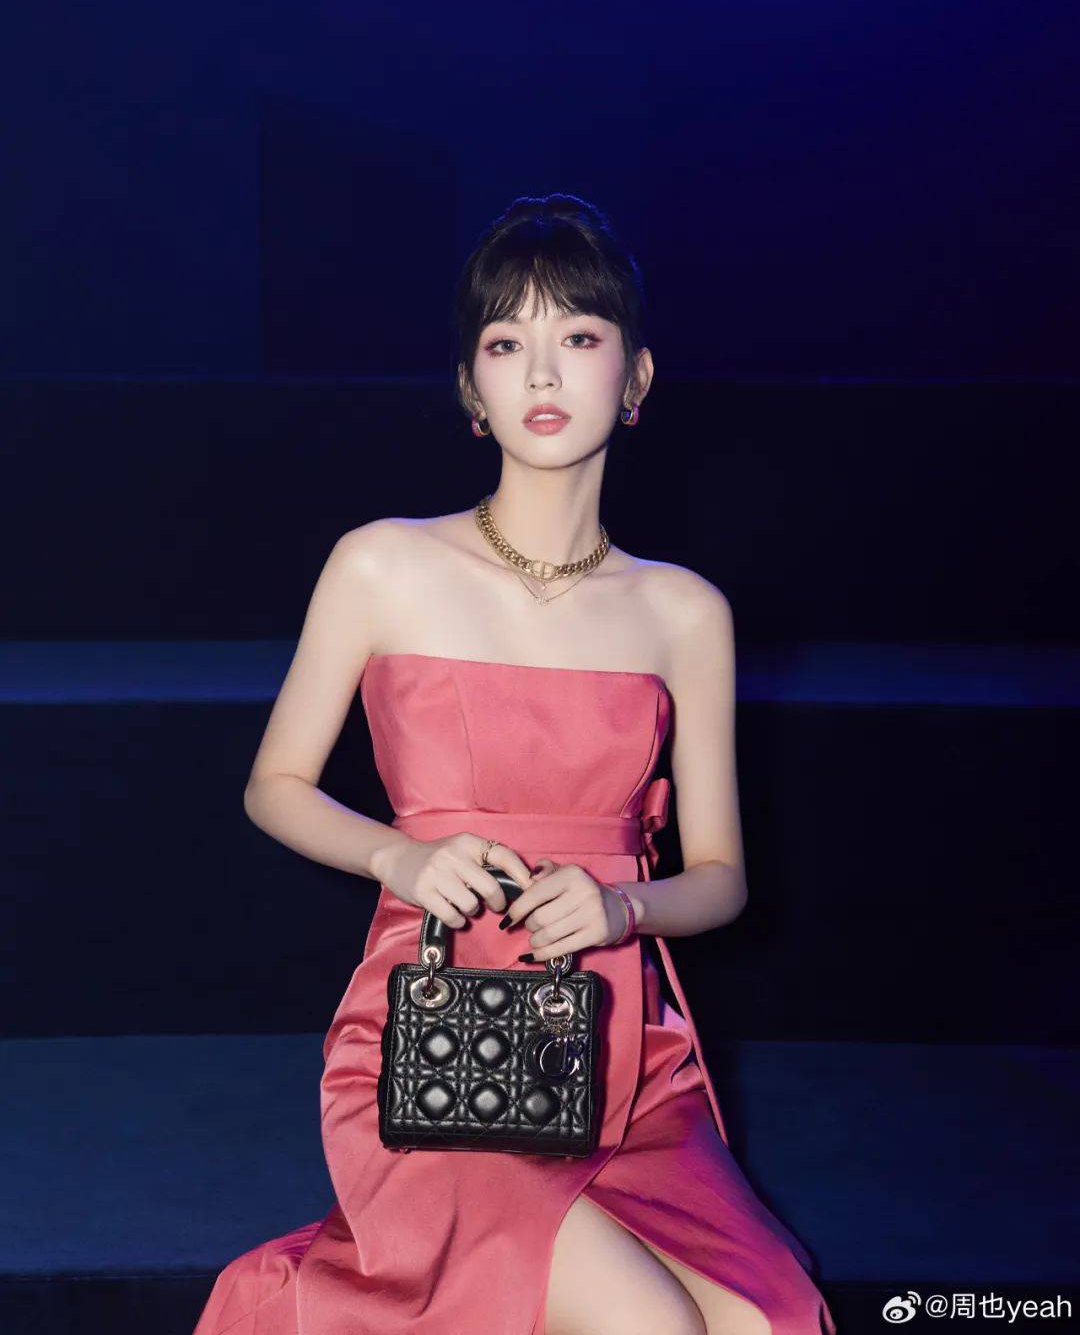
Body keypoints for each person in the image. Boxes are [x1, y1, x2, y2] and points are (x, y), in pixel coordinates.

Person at [193, 193, 836, 1335]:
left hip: (627, 1050)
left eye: (578, 336)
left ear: (636, 378)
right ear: (469, 389)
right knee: (653, 1326)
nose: (541, 371)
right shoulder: (383, 566)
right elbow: (272, 786)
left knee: (765, 1321)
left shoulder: (684, 612)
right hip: (440, 1034)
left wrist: (623, 906)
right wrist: (399, 856)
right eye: (506, 343)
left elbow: (723, 876)